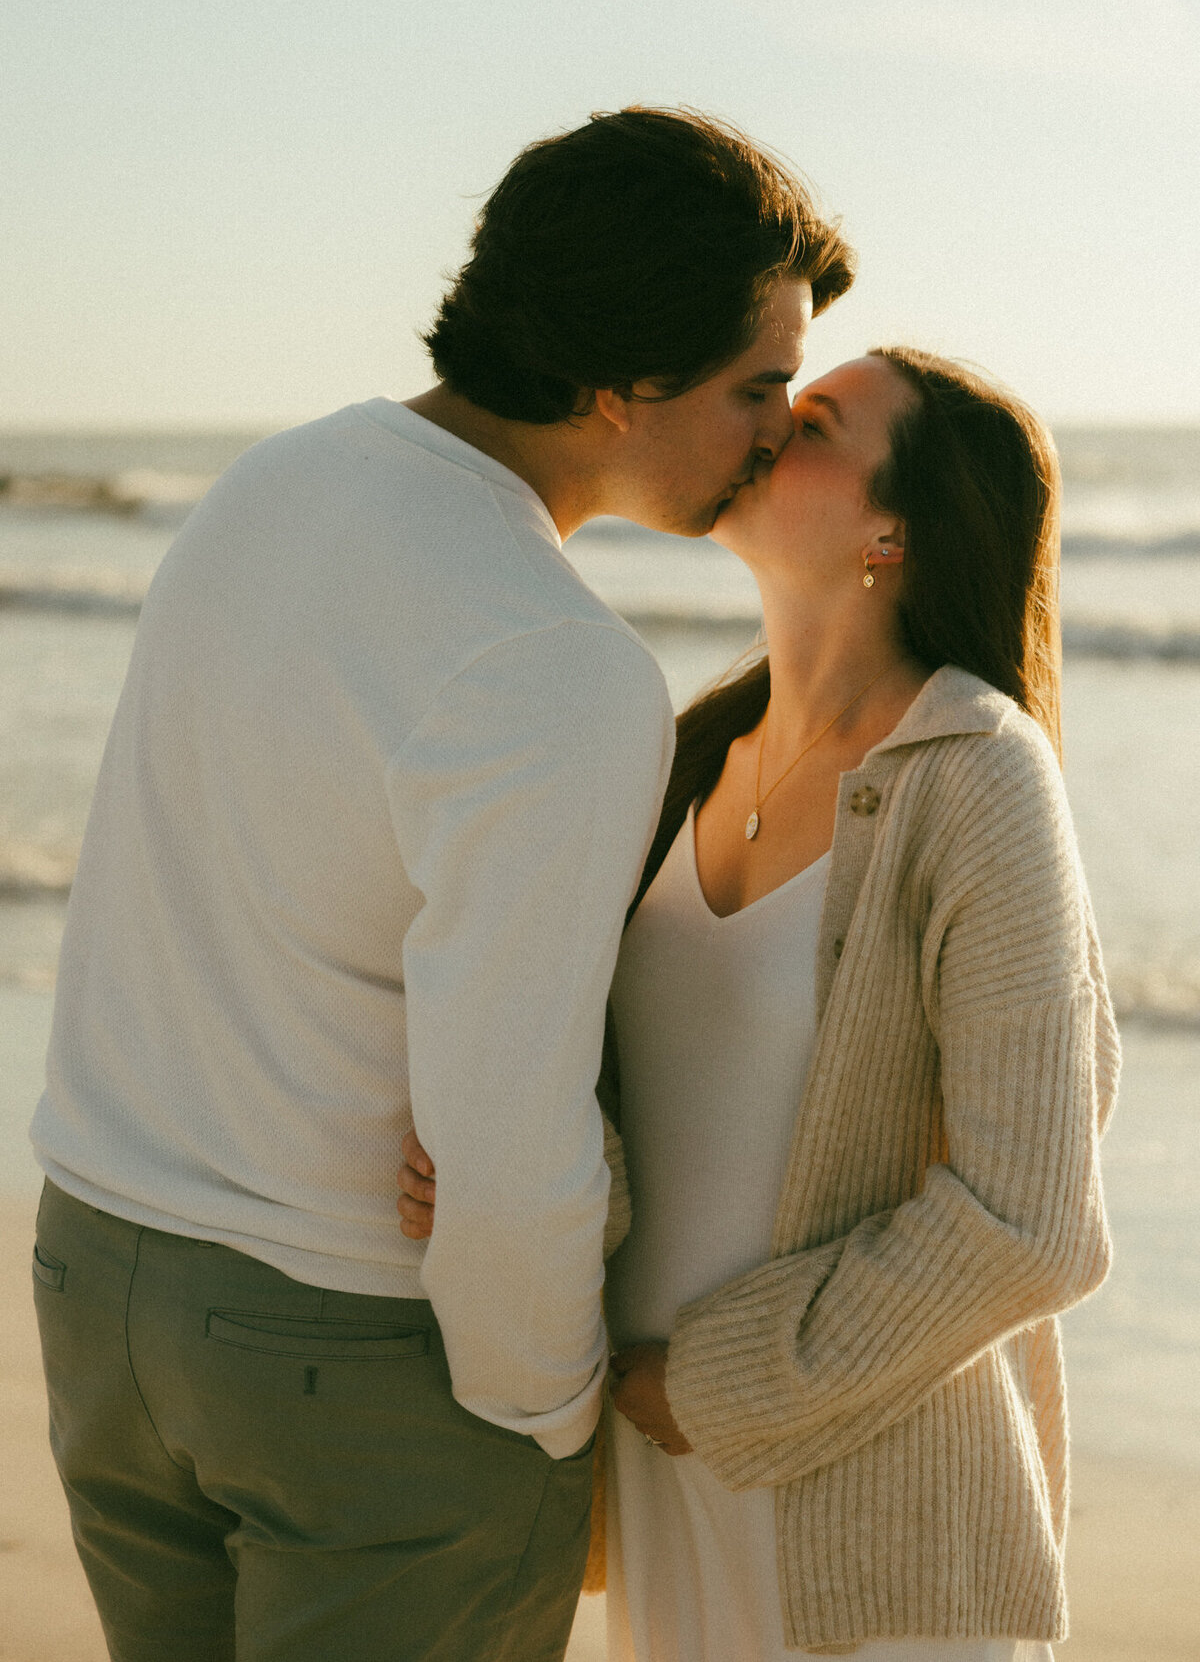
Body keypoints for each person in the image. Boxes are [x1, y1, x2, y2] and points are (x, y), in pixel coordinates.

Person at [28, 108, 854, 1662]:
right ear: (620, 384)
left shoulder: (273, 484)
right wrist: (544, 1414)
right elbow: (506, 1128)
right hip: (348, 1358)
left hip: (100, 1278)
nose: (783, 428)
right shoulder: (555, 667)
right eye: (762, 385)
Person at [401, 347, 1121, 1660]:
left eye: (818, 423)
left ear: (893, 526)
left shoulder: (977, 781)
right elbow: (630, 1102)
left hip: (874, 1523)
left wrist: (724, 1386)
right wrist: (512, 1177)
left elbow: (1034, 1220)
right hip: (667, 1479)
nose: (767, 428)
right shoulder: (676, 757)